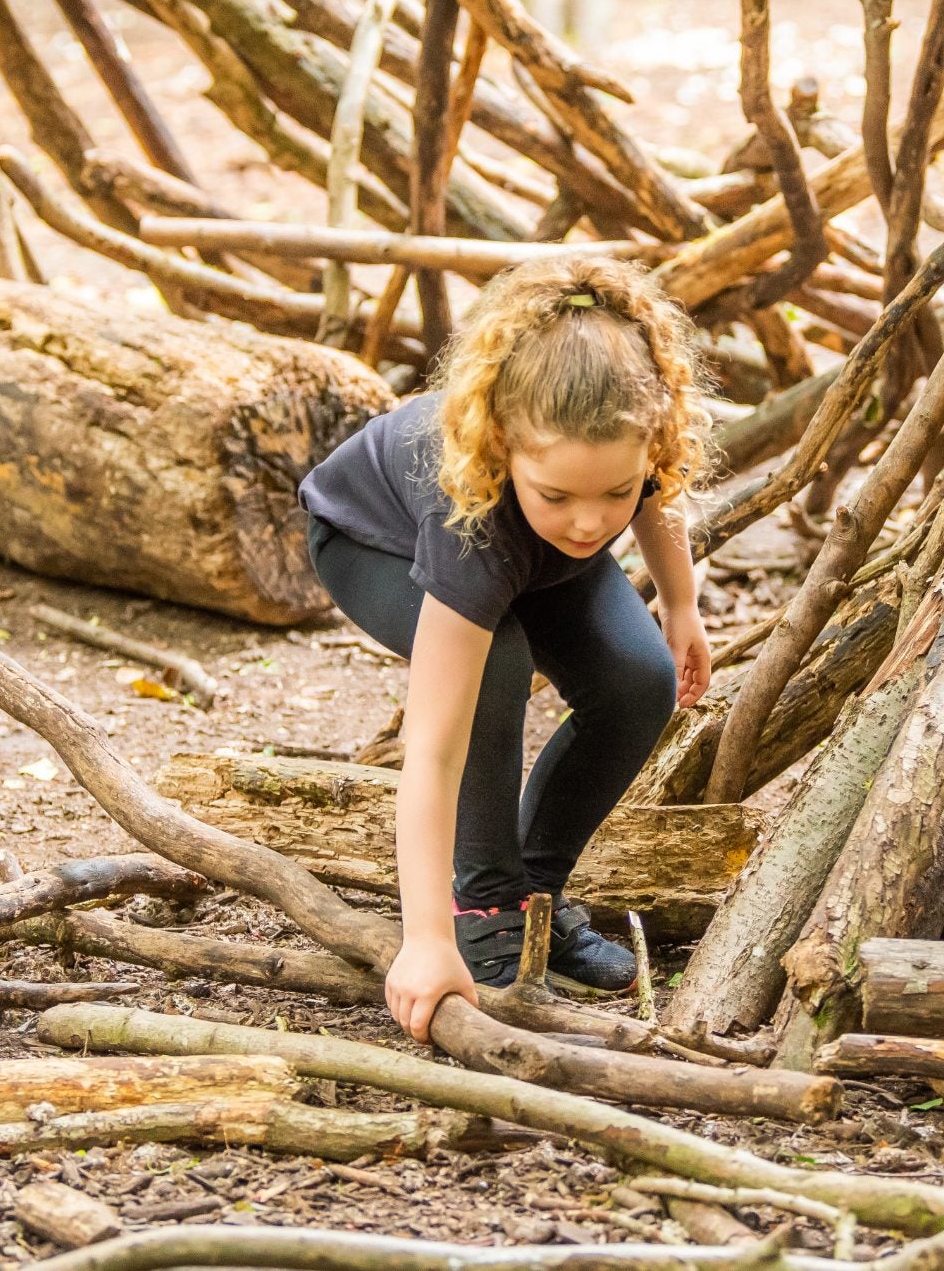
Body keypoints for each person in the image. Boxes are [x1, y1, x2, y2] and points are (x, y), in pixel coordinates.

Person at [297, 254, 713, 1040]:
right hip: (372, 539)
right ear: (502, 445)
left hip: (536, 557)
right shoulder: (473, 522)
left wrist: (680, 601)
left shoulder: (615, 452)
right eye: (559, 492)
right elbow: (433, 751)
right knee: (494, 667)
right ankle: (481, 905)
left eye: (613, 493)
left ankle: (537, 899)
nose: (592, 521)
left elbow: (656, 492)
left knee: (637, 681)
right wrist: (422, 940)